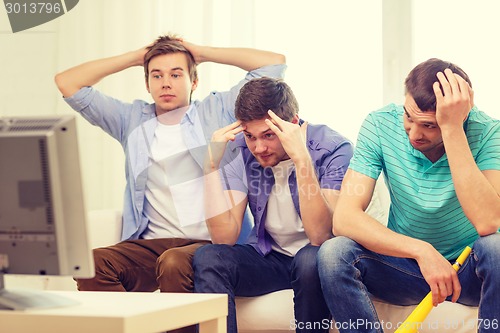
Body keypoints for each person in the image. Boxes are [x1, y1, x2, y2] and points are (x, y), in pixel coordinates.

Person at [54, 34, 285, 325]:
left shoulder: (216, 111)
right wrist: (137, 57)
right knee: (93, 264)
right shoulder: (131, 120)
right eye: (156, 75)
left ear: (194, 82)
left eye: (176, 74)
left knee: (174, 261)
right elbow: (68, 83)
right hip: (151, 245)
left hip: (206, 245)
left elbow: (273, 64)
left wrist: (201, 52)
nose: (166, 83)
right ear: (147, 83)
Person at [317, 58, 500, 333]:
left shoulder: (488, 132)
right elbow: (344, 218)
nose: (414, 134)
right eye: (408, 117)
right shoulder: (380, 124)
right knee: (333, 253)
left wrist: (451, 129)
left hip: (467, 271)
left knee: (496, 248)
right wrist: (421, 251)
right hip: (407, 267)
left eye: (429, 125)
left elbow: (487, 222)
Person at [193, 77, 353, 333]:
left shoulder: (333, 148)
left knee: (309, 261)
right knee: (209, 256)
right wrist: (210, 166)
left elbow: (321, 236)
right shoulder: (243, 150)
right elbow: (223, 237)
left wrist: (301, 158)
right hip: (272, 258)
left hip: (316, 257)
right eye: (250, 136)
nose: (259, 147)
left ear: (291, 125)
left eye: (268, 135)